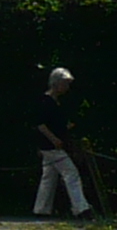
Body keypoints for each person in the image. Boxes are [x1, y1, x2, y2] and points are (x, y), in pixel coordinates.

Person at [31, 67, 91, 217]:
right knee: (71, 174)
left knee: (49, 177)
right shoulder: (46, 102)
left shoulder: (55, 102)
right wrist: (54, 139)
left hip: (50, 146)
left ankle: (41, 210)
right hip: (51, 146)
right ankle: (81, 208)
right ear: (55, 83)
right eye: (65, 83)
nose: (67, 87)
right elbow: (41, 124)